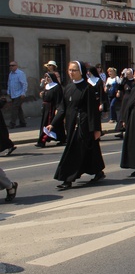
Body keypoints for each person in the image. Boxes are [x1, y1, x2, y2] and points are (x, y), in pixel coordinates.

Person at [48, 61, 106, 190]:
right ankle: (98, 171)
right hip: (70, 123)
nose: (71, 73)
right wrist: (53, 124)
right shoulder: (68, 88)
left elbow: (93, 111)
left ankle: (66, 178)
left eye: (74, 70)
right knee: (89, 150)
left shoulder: (88, 88)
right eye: (69, 70)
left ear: (81, 72)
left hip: (82, 124)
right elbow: (62, 108)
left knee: (73, 151)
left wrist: (96, 129)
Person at [36, 71, 64, 148]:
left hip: (52, 108)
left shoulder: (56, 87)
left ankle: (43, 141)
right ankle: (44, 140)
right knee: (45, 123)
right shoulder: (47, 86)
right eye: (45, 77)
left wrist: (58, 108)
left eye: (48, 77)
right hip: (46, 108)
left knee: (51, 123)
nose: (46, 79)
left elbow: (59, 99)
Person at [113, 68, 135, 139]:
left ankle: (129, 130)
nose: (127, 75)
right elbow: (120, 86)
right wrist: (119, 92)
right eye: (127, 74)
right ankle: (121, 131)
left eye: (129, 74)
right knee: (122, 114)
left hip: (132, 99)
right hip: (125, 99)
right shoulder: (125, 80)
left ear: (132, 74)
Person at [7, 61, 27, 128]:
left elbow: (24, 84)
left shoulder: (20, 73)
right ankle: (23, 122)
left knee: (14, 108)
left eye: (13, 65)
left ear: (16, 66)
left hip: (19, 94)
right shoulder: (11, 74)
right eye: (10, 65)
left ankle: (12, 123)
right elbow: (9, 84)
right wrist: (9, 92)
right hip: (13, 94)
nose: (11, 67)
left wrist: (23, 93)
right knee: (18, 109)